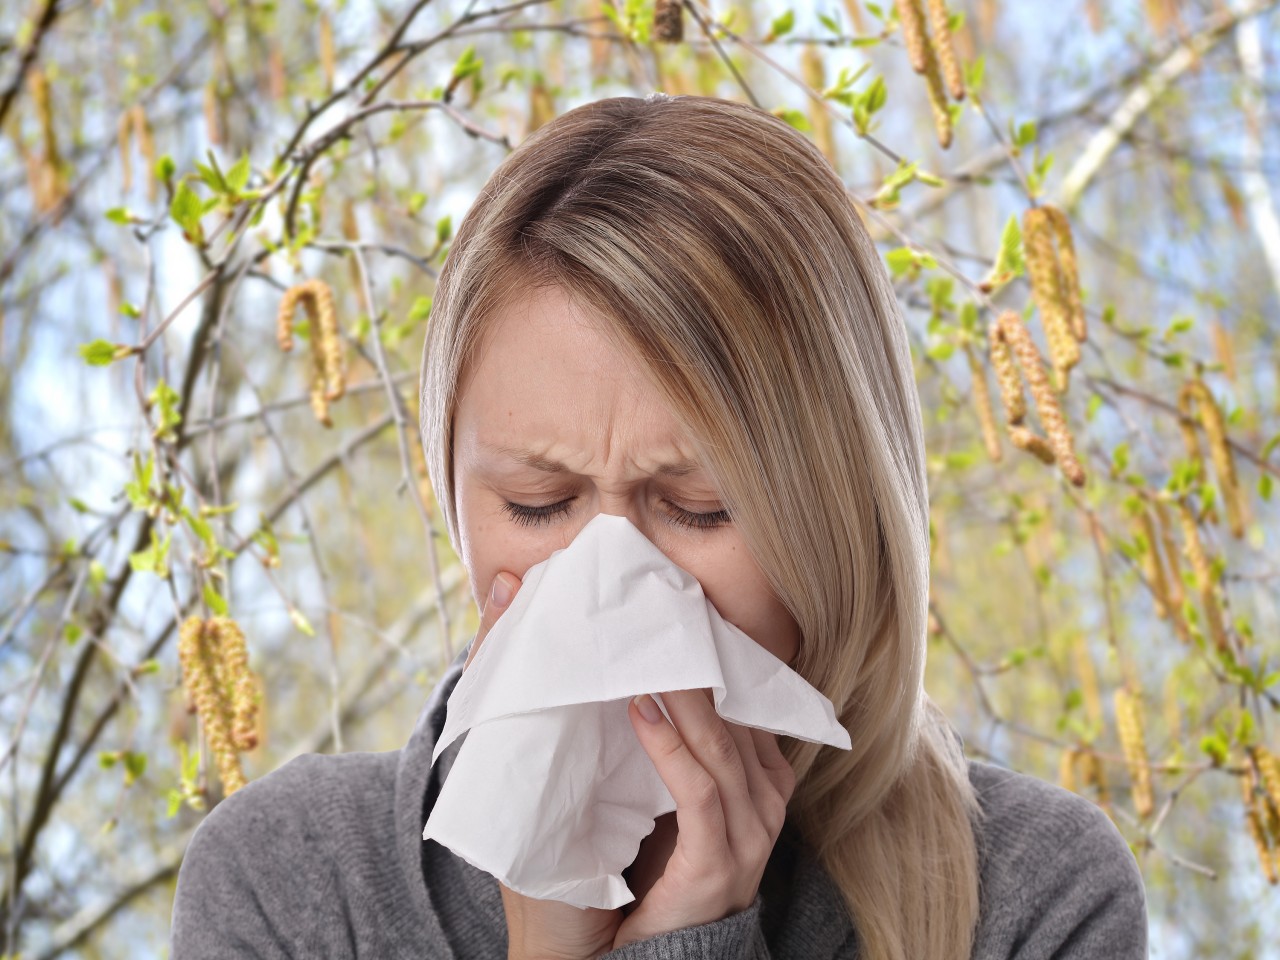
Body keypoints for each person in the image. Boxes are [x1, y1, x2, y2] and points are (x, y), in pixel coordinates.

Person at [169, 93, 1148, 959]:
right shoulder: (287, 888)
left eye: (698, 509)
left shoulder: (1031, 898)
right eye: (536, 503)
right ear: (452, 498)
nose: (608, 587)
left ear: (840, 517)